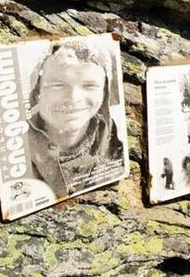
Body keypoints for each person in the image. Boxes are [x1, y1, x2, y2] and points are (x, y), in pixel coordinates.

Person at [27, 40, 124, 198]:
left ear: (104, 92)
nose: (73, 98)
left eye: (90, 86)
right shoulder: (20, 143)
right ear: (38, 90)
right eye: (57, 85)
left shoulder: (109, 135)